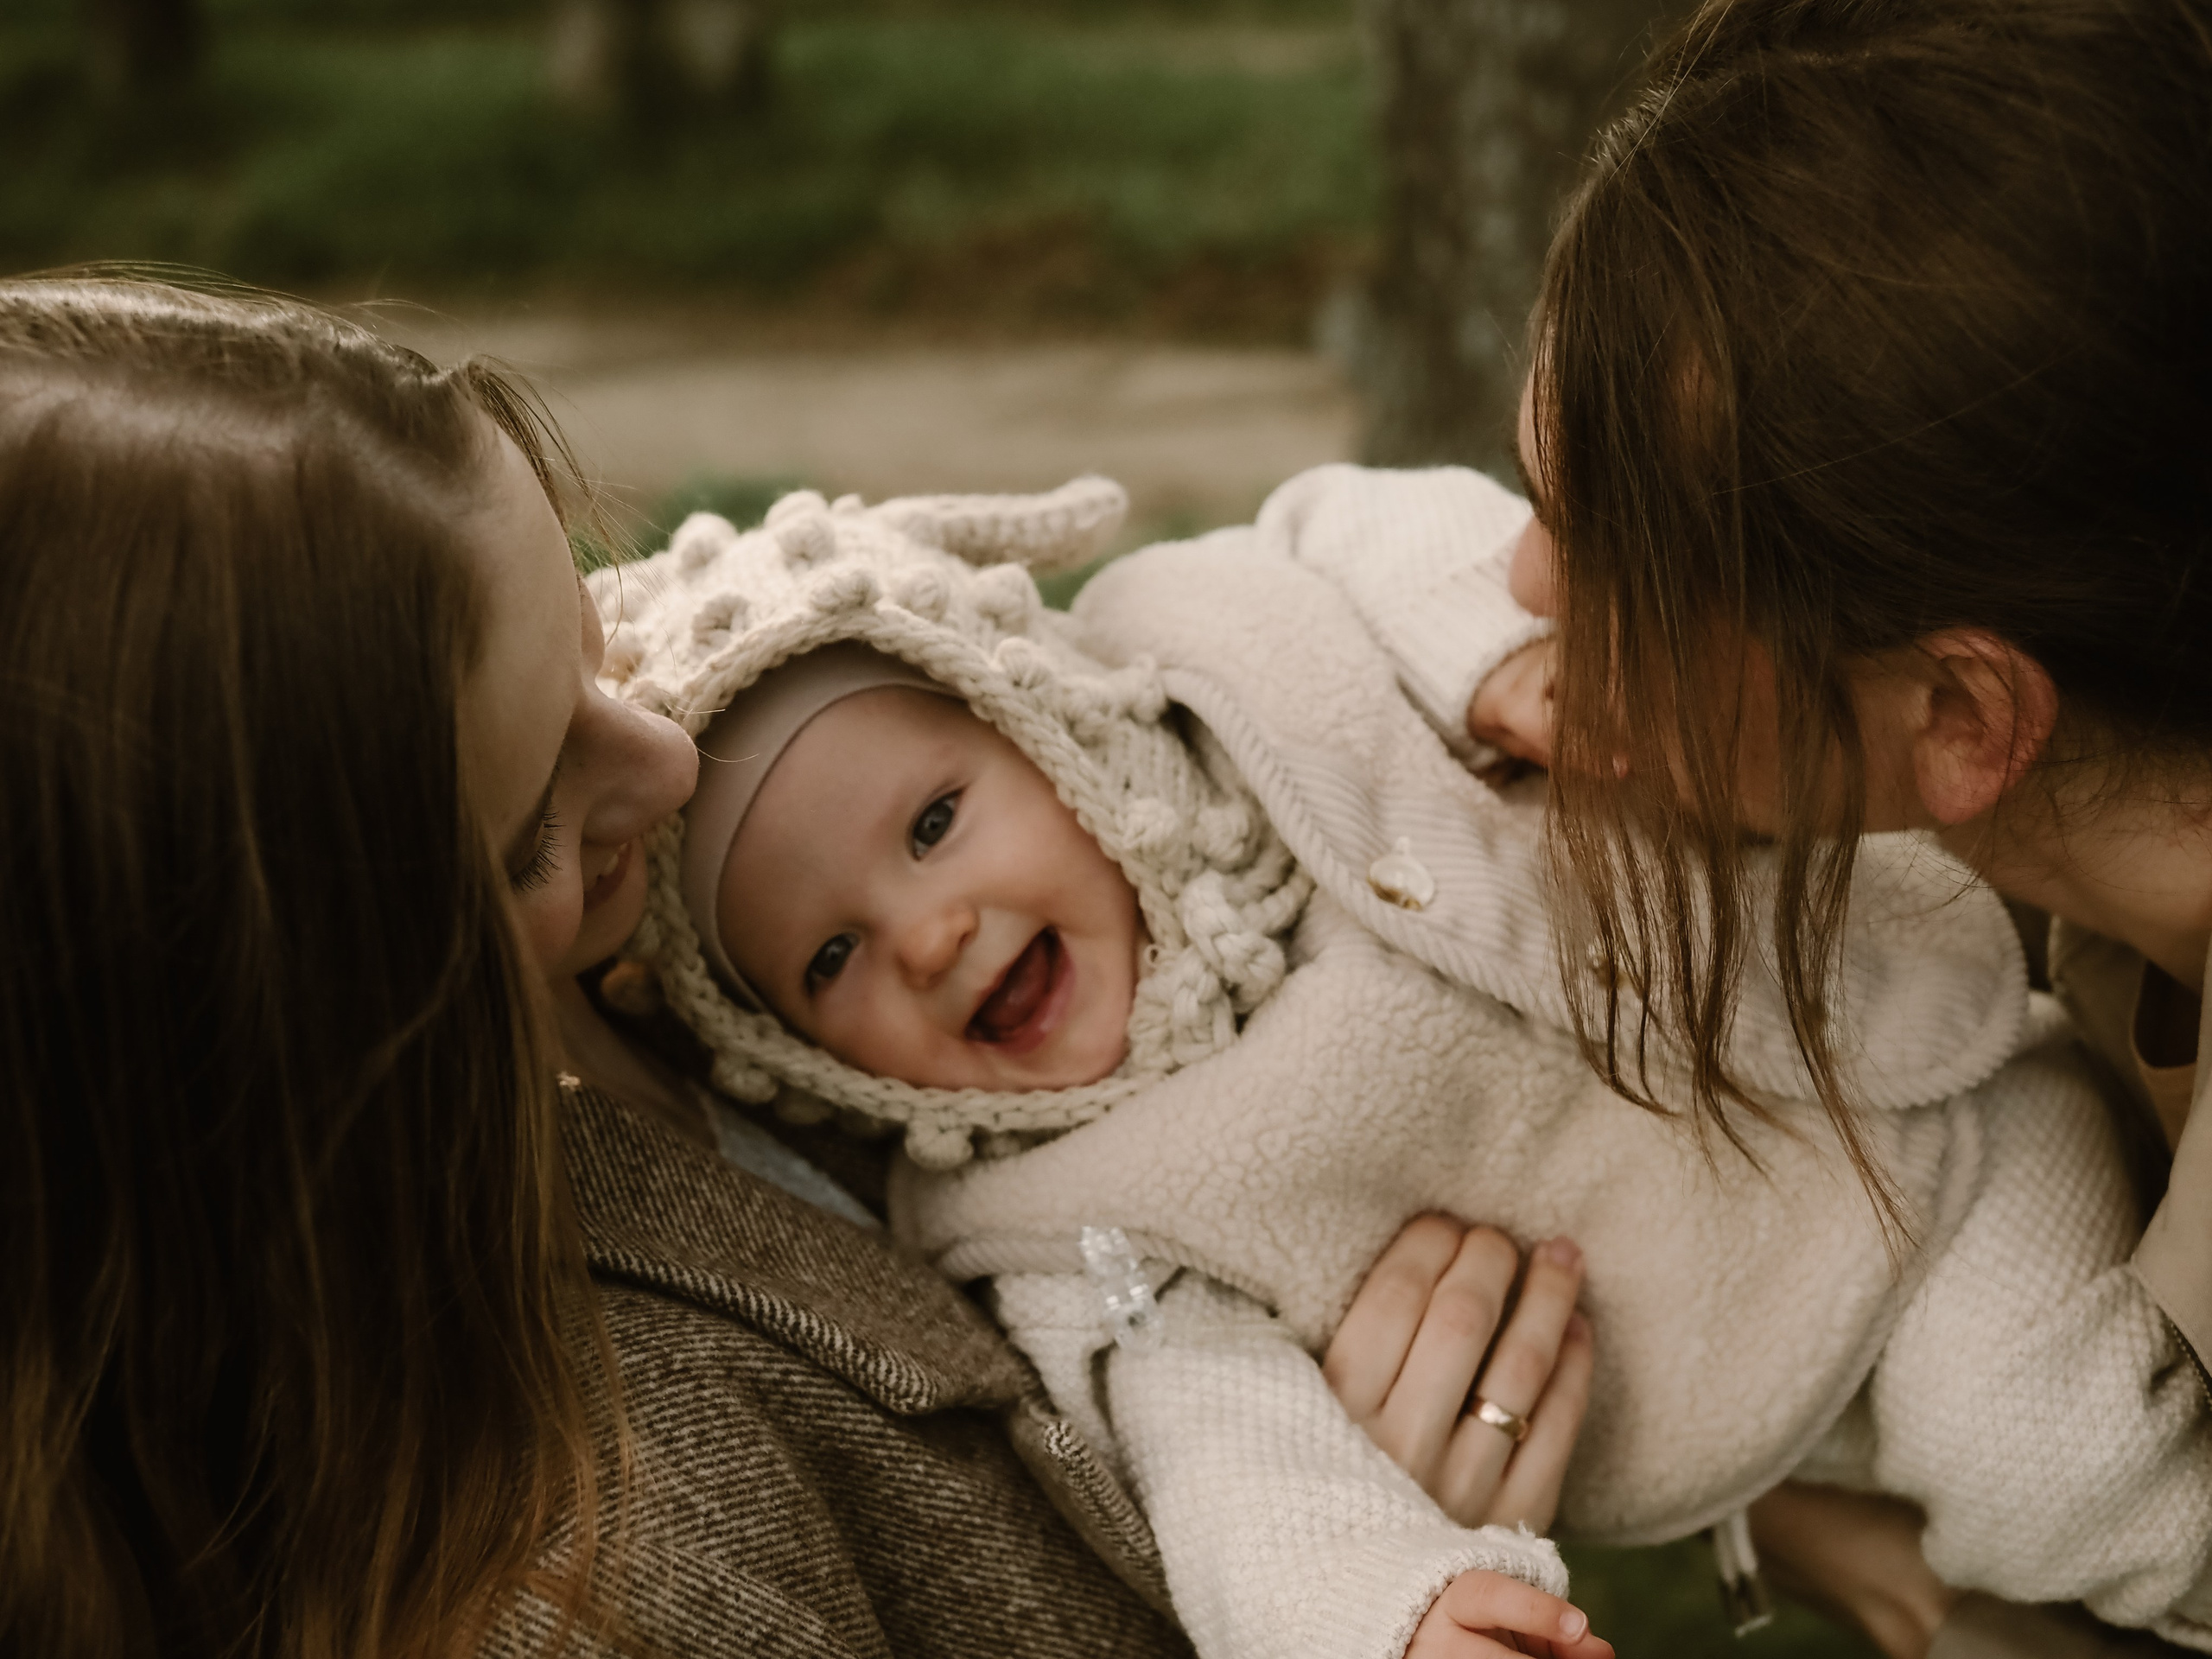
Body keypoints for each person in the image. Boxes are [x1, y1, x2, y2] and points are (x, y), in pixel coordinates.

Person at [0, 274, 1584, 1659]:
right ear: (311, 1021)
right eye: (537, 824)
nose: (668, 770)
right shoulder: (591, 1585)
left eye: (594, 644)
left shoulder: (650, 987)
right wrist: (1332, 1552)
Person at [588, 463, 2203, 1658]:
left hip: (1945, 1105)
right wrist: (1395, 1614)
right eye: (827, 960)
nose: (925, 934)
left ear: (1041, 722)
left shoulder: (1225, 660)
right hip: (1814, 1365)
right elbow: (1226, 1457)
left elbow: (1352, 531)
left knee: (2055, 1471)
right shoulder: (1060, 1218)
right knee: (2049, 1474)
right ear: (786, 1051)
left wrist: (1480, 655)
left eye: (936, 824)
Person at [1450, 0, 2212, 1651]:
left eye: (1621, 553)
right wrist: (1803, 1502)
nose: (1524, 589)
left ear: (1960, 720)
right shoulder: (2099, 852)